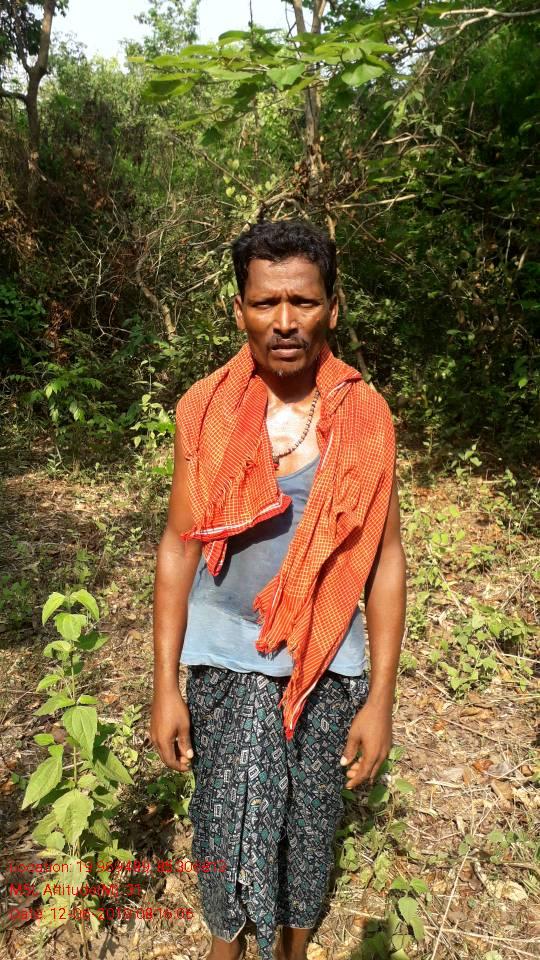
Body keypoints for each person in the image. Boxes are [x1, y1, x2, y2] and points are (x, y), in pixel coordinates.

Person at [150, 220, 407, 960]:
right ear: (240, 311)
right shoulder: (206, 410)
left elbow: (385, 560)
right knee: (225, 836)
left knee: (306, 838)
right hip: (224, 667)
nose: (285, 321)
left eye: (304, 301)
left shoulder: (365, 418)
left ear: (333, 308)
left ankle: (291, 950)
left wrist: (381, 700)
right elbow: (179, 544)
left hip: (324, 671)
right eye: (266, 303)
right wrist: (164, 685)